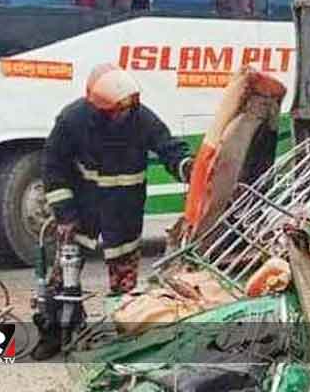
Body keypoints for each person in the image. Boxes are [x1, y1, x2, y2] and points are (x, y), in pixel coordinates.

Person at [33, 63, 193, 360]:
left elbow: (168, 147)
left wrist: (187, 167)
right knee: (61, 277)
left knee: (125, 285)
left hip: (124, 211)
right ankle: (54, 333)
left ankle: (125, 339)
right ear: (99, 109)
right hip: (82, 211)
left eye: (127, 109)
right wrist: (65, 214)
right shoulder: (72, 120)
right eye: (116, 111)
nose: (123, 115)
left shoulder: (141, 118)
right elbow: (53, 168)